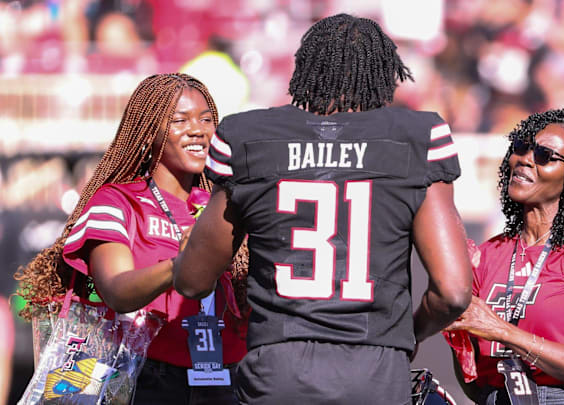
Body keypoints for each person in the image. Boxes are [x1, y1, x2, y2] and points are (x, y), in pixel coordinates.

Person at [173, 13, 472, 404]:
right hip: (375, 370)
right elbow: (453, 291)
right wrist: (407, 336)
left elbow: (194, 280)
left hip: (278, 368)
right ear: (384, 74)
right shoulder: (417, 137)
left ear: (305, 70)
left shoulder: (248, 136)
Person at [14, 73, 249, 405]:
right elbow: (118, 291)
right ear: (149, 132)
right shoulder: (117, 202)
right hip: (142, 376)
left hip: (225, 378)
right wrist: (182, 264)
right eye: (180, 120)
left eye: (206, 119)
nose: (198, 130)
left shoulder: (224, 204)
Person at [444, 109, 564, 404]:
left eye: (545, 155)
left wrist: (502, 331)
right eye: (520, 146)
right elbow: (473, 376)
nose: (526, 159)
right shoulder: (488, 254)